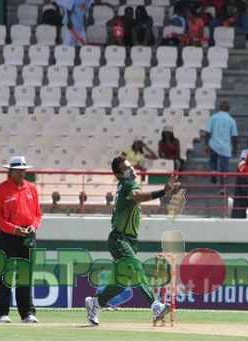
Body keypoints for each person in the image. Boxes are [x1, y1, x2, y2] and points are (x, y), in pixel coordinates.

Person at [84, 156, 181, 326]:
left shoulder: (124, 184)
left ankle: (95, 303)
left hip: (126, 240)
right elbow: (137, 196)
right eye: (127, 168)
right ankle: (155, 304)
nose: (132, 169)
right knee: (135, 266)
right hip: (120, 239)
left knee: (121, 283)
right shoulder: (128, 184)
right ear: (120, 173)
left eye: (131, 166)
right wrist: (162, 192)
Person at [0, 156, 42, 324]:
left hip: (28, 235)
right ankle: (1, 313)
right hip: (8, 235)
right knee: (4, 274)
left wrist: (33, 227)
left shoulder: (31, 189)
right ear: (10, 172)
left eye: (23, 170)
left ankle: (27, 313)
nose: (21, 173)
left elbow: (37, 214)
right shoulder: (2, 190)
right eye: (18, 171)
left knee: (25, 274)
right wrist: (13, 229)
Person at [203, 98, 238, 194]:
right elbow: (234, 136)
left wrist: (206, 144)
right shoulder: (231, 120)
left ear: (220, 107)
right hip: (225, 147)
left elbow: (208, 132)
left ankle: (213, 171)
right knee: (224, 169)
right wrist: (235, 148)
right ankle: (223, 188)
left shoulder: (213, 117)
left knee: (212, 161)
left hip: (213, 144)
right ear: (229, 108)